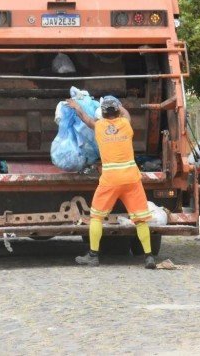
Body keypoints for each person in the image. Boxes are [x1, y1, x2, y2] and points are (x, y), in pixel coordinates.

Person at [67, 96, 156, 269]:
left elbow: (85, 118)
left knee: (96, 217)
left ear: (102, 112)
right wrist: (119, 104)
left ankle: (93, 256)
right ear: (117, 111)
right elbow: (126, 113)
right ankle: (149, 257)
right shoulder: (126, 125)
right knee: (140, 220)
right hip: (131, 178)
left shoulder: (99, 126)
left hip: (110, 179)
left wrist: (76, 106)